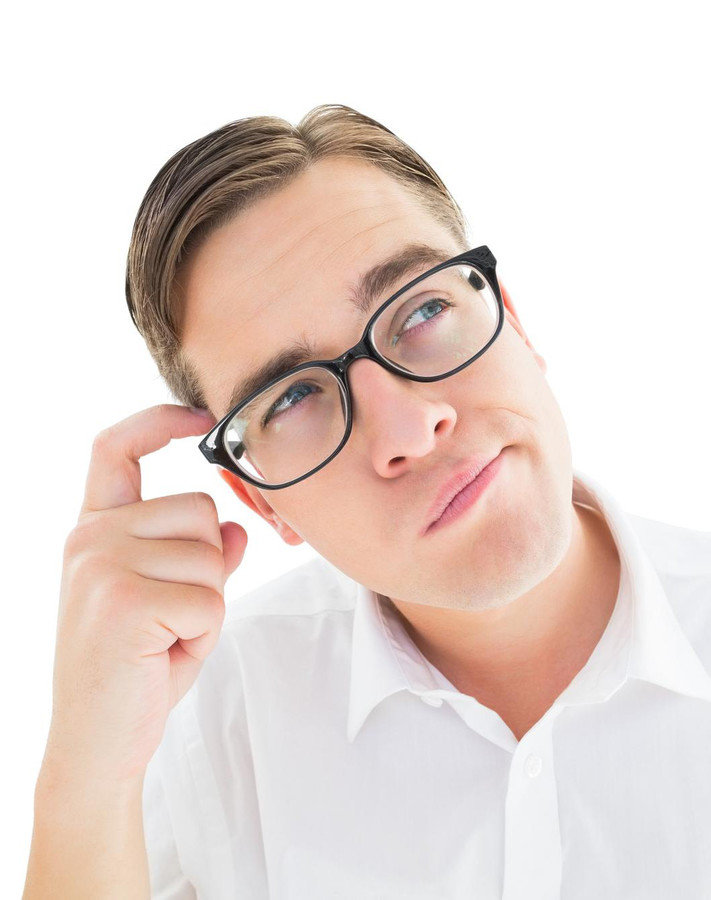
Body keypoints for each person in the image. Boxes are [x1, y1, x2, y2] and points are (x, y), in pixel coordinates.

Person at [23, 104, 711, 899]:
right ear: (259, 499)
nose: (410, 430)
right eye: (291, 398)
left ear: (513, 323)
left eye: (422, 310)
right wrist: (86, 772)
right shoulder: (202, 725)